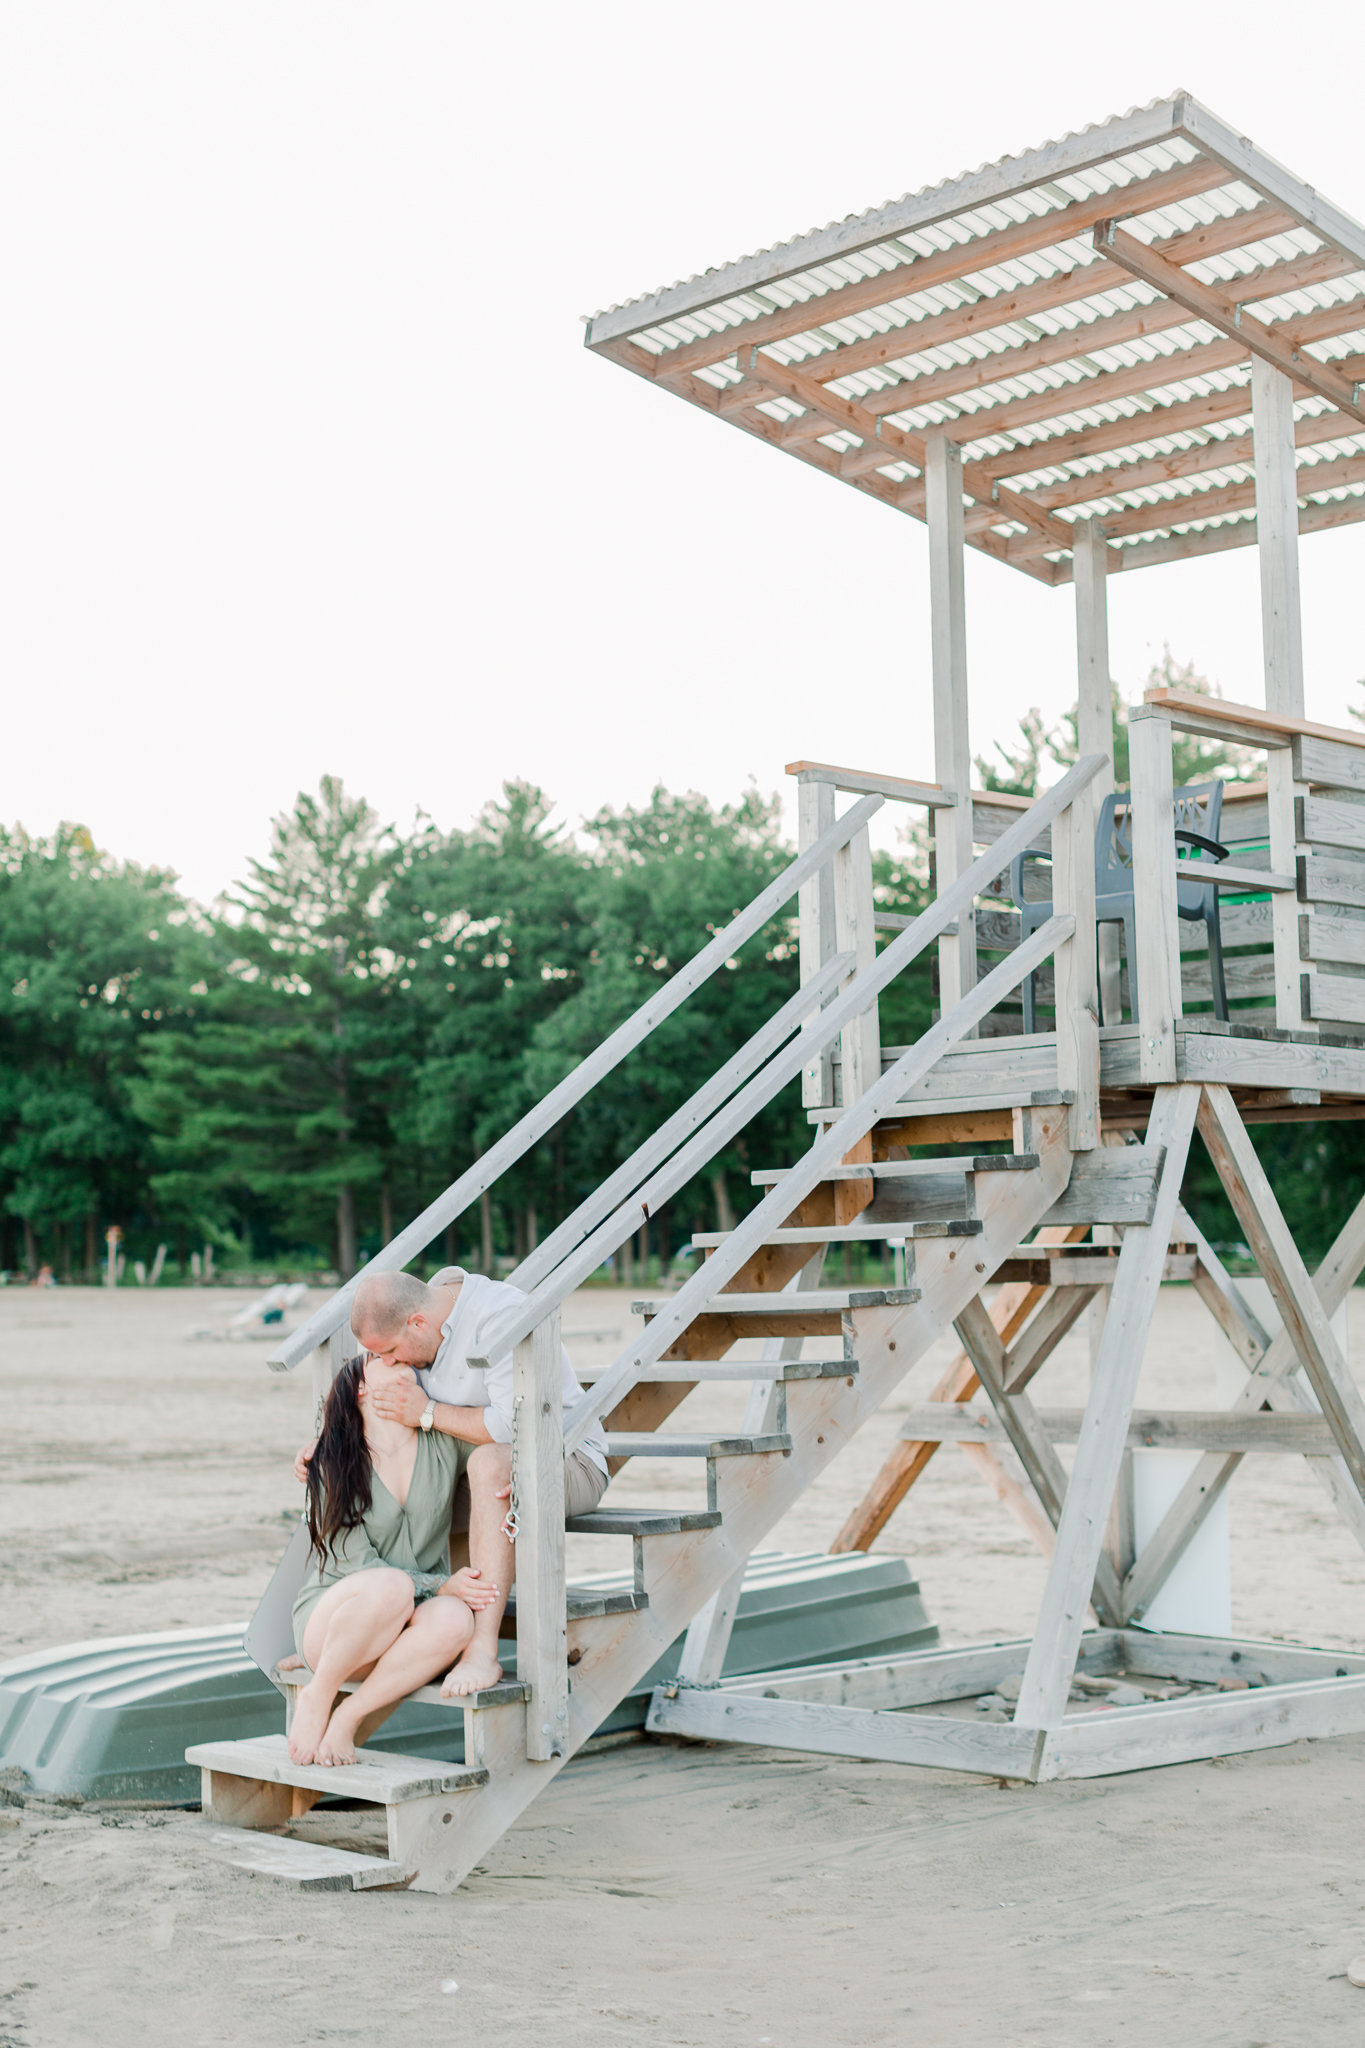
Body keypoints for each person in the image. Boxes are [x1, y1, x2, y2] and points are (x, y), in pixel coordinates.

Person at [297, 1265, 609, 1701]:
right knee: (381, 1485)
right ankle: (334, 1632)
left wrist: (426, 1413)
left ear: (418, 1323)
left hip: (562, 1456)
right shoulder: (419, 1325)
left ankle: (481, 1648)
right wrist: (331, 1444)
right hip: (468, 1463)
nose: (387, 1363)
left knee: (489, 1465)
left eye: (388, 1352)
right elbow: (368, 1402)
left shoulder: (500, 1318)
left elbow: (517, 1430)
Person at [286, 1350, 498, 1767]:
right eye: (384, 1359)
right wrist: (439, 1584)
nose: (404, 1362)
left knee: (457, 1618)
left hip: (405, 1636)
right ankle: (319, 1693)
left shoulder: (442, 1442)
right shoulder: (331, 1461)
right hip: (332, 1626)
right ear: (361, 1388)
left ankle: (348, 1717)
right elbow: (356, 1565)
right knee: (391, 1586)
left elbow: (500, 1428)